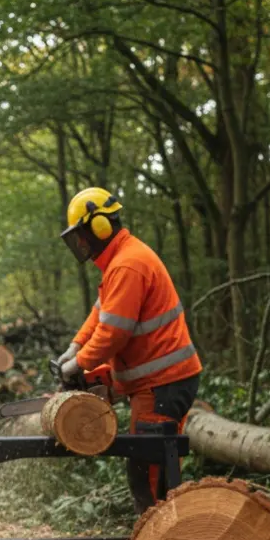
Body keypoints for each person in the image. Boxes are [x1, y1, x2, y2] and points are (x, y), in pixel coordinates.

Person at [56, 187, 202, 512]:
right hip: (155, 382)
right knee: (147, 473)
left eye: (81, 235)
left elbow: (113, 334)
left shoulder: (127, 265)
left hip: (164, 382)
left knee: (148, 478)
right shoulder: (118, 266)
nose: (80, 244)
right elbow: (100, 315)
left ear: (100, 228)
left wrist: (77, 364)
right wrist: (74, 348)